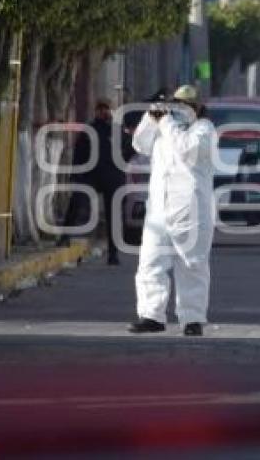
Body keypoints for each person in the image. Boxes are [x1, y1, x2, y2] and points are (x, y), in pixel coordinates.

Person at [128, 85, 217, 336]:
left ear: (197, 107)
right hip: (159, 210)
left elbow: (187, 150)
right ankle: (151, 316)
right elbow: (139, 143)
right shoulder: (164, 129)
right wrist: (151, 116)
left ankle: (192, 319)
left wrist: (166, 121)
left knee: (192, 265)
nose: (180, 108)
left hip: (192, 211)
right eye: (176, 103)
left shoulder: (204, 130)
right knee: (150, 263)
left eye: (186, 104)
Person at [57, 99, 128, 265]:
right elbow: (79, 154)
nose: (104, 112)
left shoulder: (117, 130)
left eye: (107, 109)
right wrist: (75, 175)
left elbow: (129, 149)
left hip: (112, 177)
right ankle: (65, 237)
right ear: (96, 111)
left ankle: (113, 254)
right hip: (90, 175)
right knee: (76, 202)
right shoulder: (89, 130)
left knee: (113, 215)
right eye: (101, 109)